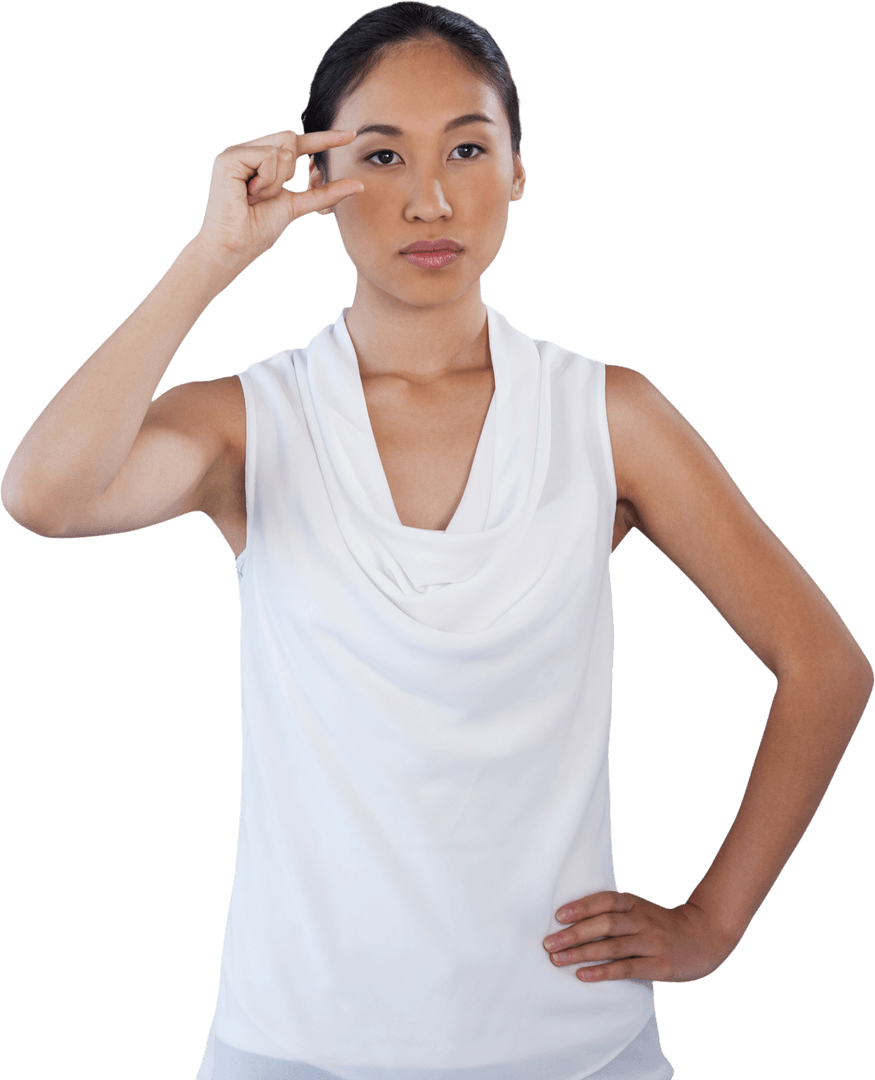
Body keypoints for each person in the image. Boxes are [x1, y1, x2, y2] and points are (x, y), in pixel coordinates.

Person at [1, 3, 871, 1078]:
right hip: (293, 1046)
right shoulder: (249, 420)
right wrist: (209, 259)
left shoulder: (608, 414)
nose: (427, 197)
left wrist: (714, 921)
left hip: (570, 1049)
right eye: (380, 154)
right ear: (317, 178)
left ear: (517, 169)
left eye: (467, 147)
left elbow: (823, 664)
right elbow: (42, 494)